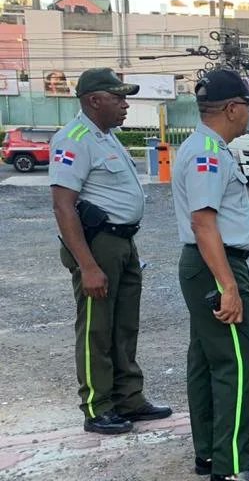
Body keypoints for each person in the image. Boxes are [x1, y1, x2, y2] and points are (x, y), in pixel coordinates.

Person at [172, 68, 249, 481]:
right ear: (233, 109)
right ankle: (233, 465)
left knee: (206, 359)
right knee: (237, 364)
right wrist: (229, 286)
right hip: (216, 264)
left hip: (205, 263)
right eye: (248, 105)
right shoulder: (208, 153)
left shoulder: (204, 146)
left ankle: (211, 453)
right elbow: (203, 222)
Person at [49, 67, 172, 434]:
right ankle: (97, 407)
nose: (125, 105)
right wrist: (87, 265)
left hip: (122, 243)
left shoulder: (106, 137)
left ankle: (128, 398)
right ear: (93, 100)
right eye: (118, 98)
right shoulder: (74, 139)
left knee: (123, 325)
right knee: (97, 329)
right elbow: (63, 206)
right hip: (97, 245)